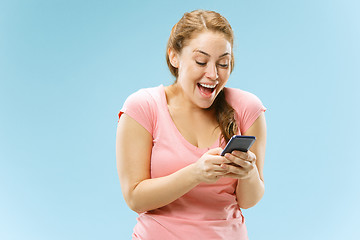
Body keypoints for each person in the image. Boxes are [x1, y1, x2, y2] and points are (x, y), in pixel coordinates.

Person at [116, 9, 267, 240]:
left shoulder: (247, 108)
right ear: (174, 57)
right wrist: (196, 174)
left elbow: (248, 200)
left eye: (223, 63)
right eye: (201, 61)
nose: (213, 74)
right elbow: (134, 198)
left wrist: (248, 173)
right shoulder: (143, 107)